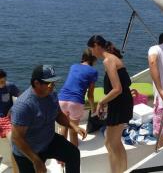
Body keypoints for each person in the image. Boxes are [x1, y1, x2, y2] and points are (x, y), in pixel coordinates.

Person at [11, 65, 87, 173]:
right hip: (28, 151)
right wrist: (36, 161)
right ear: (37, 83)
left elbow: (59, 115)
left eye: (54, 82)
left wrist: (74, 126)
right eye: (50, 83)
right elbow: (16, 138)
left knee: (73, 154)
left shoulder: (52, 94)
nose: (53, 86)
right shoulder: (24, 105)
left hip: (48, 140)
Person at [87, 35, 133, 173]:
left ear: (96, 45)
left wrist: (101, 101)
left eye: (91, 49)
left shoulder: (108, 61)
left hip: (120, 105)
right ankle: (122, 170)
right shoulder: (113, 58)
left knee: (111, 143)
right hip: (120, 104)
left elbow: (117, 89)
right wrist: (106, 103)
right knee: (113, 142)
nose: (91, 52)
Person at [58, 48, 98, 147]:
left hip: (61, 99)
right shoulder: (93, 72)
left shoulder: (73, 66)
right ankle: (72, 154)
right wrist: (93, 109)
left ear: (83, 57)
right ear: (94, 59)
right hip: (76, 102)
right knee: (73, 131)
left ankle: (61, 156)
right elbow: (90, 95)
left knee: (64, 125)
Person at [0, 69, 20, 173]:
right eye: (0, 82)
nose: (2, 84)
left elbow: (21, 99)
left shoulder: (10, 86)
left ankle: (16, 171)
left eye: (3, 81)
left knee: (14, 143)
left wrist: (13, 109)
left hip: (7, 119)